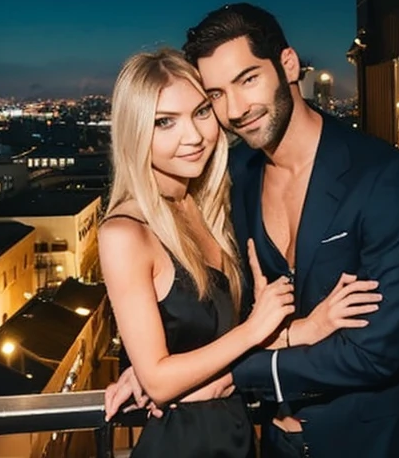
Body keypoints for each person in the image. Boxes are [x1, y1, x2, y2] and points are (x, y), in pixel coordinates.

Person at [97, 49, 382, 458]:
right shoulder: (125, 232)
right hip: (185, 446)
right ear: (134, 132)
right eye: (164, 122)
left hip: (236, 437)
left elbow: (208, 342)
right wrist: (151, 369)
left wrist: (308, 328)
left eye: (200, 112)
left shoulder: (208, 206)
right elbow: (161, 381)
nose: (193, 136)